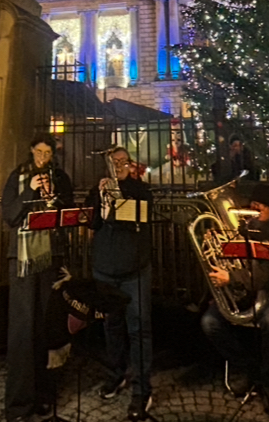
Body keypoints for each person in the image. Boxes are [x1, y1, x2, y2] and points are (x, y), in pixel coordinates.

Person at [200, 182, 269, 407]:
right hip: (241, 297)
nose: (253, 210)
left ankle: (268, 378)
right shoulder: (242, 229)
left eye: (259, 207)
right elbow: (228, 262)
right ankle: (250, 369)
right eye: (252, 205)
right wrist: (215, 244)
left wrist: (231, 278)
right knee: (209, 322)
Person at [1, 135, 74, 422]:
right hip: (22, 258)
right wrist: (29, 192)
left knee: (47, 325)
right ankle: (18, 404)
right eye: (39, 151)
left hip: (51, 257)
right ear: (31, 151)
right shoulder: (18, 176)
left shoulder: (61, 177)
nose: (43, 156)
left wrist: (53, 201)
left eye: (48, 152)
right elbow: (9, 214)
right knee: (22, 329)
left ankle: (44, 395)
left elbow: (68, 214)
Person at [86, 147, 154, 420]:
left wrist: (117, 196)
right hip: (105, 268)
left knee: (139, 329)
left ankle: (142, 390)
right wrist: (100, 201)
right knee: (111, 325)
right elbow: (91, 224)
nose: (119, 166)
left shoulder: (140, 190)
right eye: (114, 162)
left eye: (123, 162)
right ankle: (116, 374)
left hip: (134, 269)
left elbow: (140, 219)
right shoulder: (97, 189)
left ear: (131, 164)